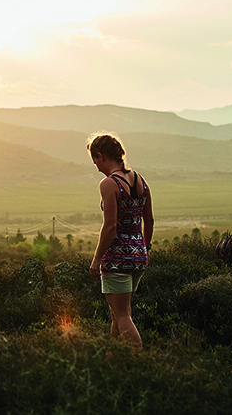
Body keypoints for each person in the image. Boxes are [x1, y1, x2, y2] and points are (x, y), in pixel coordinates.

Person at [87, 132, 154, 349]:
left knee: (123, 315)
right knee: (117, 313)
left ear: (100, 156)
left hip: (116, 259)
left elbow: (110, 225)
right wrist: (145, 247)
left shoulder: (109, 184)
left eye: (94, 160)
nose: (95, 166)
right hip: (138, 257)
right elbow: (149, 220)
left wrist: (97, 259)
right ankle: (113, 360)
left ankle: (140, 362)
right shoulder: (141, 181)